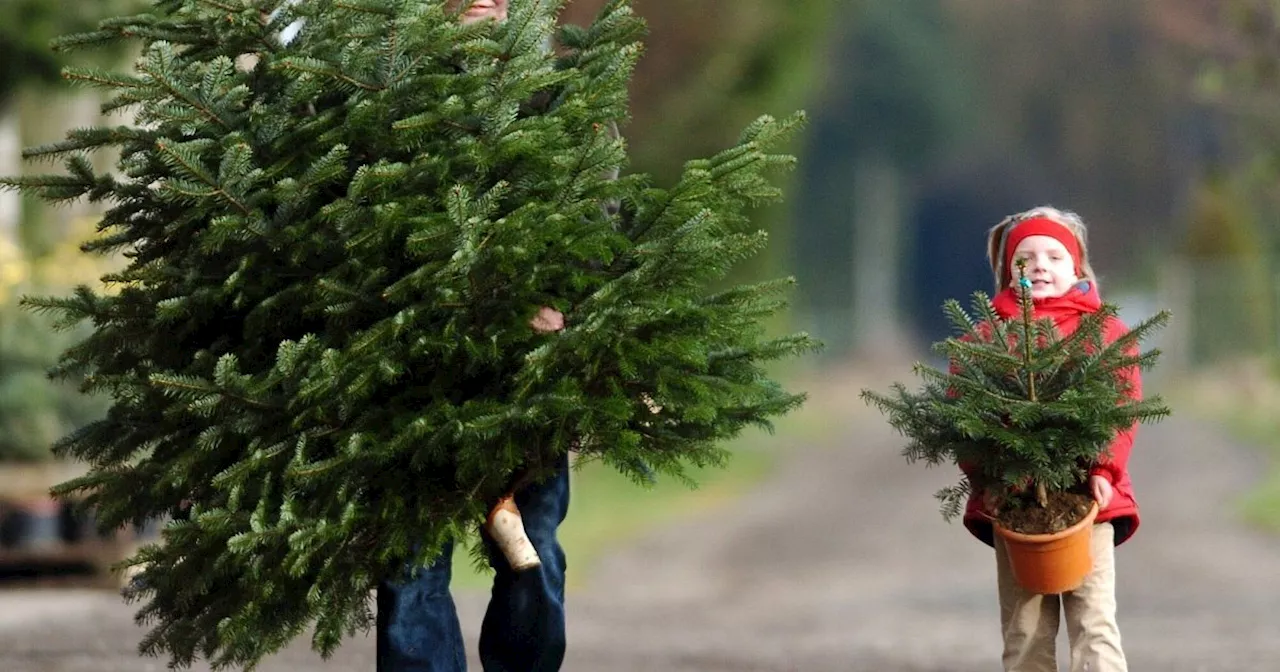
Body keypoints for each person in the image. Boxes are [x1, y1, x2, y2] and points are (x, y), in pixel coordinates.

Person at [377, 1, 617, 670]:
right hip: (412, 373)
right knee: (410, 559)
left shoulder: (562, 100)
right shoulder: (387, 96)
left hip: (526, 375)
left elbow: (601, 219)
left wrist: (561, 306)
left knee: (530, 550)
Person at [962, 206, 1140, 672]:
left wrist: (1104, 469)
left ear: (1076, 269)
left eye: (1054, 256)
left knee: (1094, 623)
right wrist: (992, 477)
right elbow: (965, 418)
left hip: (1088, 500)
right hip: (1016, 504)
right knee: (1025, 631)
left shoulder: (1102, 333)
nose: (1040, 265)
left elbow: (1120, 408)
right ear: (1007, 273)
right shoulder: (988, 338)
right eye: (1026, 258)